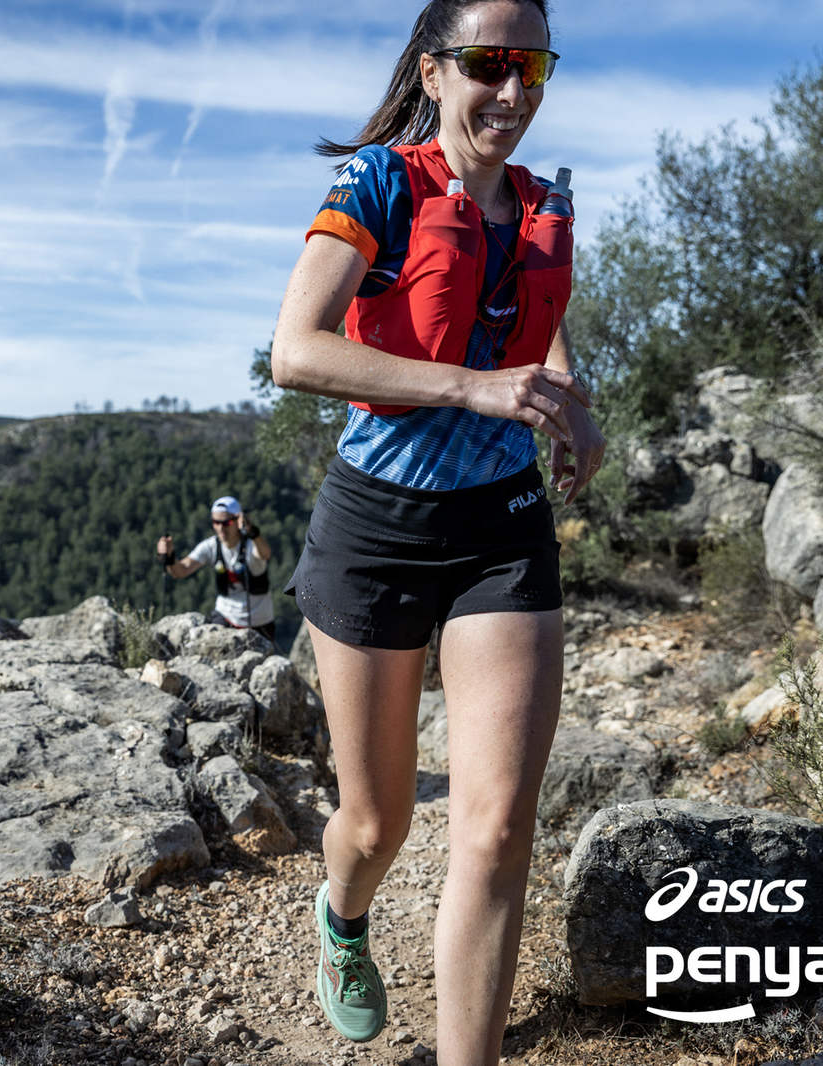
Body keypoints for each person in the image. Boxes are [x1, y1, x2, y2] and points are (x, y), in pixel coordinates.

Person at [270, 1, 606, 1061]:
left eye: (532, 67)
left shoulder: (541, 203)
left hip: (502, 527)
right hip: (375, 526)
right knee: (376, 825)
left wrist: (570, 403)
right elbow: (295, 352)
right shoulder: (378, 183)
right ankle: (343, 917)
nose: (512, 90)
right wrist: (470, 386)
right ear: (433, 71)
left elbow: (534, 326)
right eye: (489, 63)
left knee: (497, 829)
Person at [155, 496, 276, 642]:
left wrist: (253, 533)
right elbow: (181, 571)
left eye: (226, 522)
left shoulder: (252, 545)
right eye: (216, 522)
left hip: (259, 622)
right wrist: (169, 557)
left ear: (238, 521)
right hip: (225, 616)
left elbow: (265, 554)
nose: (220, 528)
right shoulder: (211, 546)